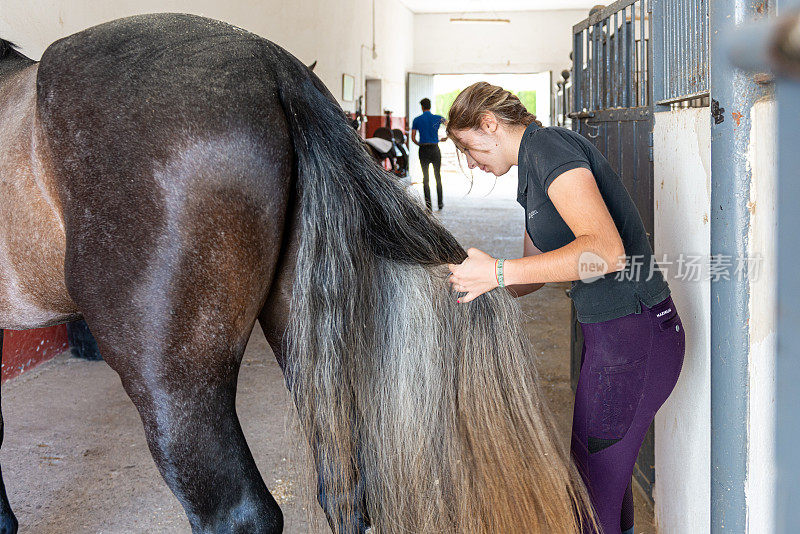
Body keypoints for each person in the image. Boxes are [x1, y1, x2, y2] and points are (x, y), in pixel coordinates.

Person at [444, 82, 684, 534]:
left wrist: (497, 272)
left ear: (490, 124)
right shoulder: (530, 174)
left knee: (588, 500)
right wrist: (461, 284)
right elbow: (531, 273)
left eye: (468, 147)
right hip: (612, 341)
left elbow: (607, 252)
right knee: (601, 487)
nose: (472, 162)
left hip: (635, 336)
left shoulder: (549, 147)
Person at [410, 98, 446, 211]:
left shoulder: (417, 120)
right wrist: (446, 137)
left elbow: (412, 138)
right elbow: (449, 125)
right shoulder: (437, 117)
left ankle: (428, 205)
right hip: (435, 149)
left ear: (422, 107)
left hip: (423, 149)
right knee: (437, 176)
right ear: (430, 106)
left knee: (426, 178)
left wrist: (419, 144)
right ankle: (440, 203)